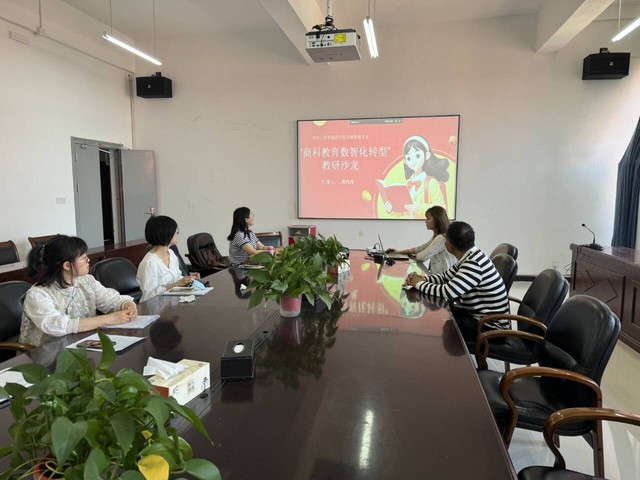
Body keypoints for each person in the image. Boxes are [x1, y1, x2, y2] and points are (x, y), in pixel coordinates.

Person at [20, 235, 138, 347]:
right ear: (67, 265)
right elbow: (57, 326)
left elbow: (112, 300)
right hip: (45, 354)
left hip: (81, 345)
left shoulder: (87, 281)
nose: (88, 260)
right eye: (84, 257)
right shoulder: (38, 294)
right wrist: (109, 319)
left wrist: (128, 305)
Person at [405, 221, 509, 343]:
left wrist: (418, 284)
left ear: (449, 245)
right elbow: (445, 277)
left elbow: (449, 292)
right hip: (478, 317)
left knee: (444, 327)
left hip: (491, 329)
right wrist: (423, 279)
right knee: (443, 315)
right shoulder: (471, 256)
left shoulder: (473, 263)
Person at [137, 215, 200, 302]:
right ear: (166, 233)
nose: (177, 234)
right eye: (176, 231)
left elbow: (177, 278)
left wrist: (188, 279)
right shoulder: (149, 263)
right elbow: (149, 296)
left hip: (172, 303)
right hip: (155, 307)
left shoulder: (171, 253)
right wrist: (176, 284)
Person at [383, 135, 449, 215]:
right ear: (405, 161)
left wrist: (419, 208)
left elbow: (441, 208)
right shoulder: (407, 184)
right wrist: (391, 210)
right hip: (405, 222)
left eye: (417, 156)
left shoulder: (431, 183)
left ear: (427, 155)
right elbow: (402, 212)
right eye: (409, 158)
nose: (413, 161)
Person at [385, 205, 456, 274]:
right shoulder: (438, 236)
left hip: (442, 279)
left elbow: (422, 257)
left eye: (428, 219)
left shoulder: (441, 238)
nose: (425, 221)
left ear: (437, 220)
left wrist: (411, 256)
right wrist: (399, 252)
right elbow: (421, 248)